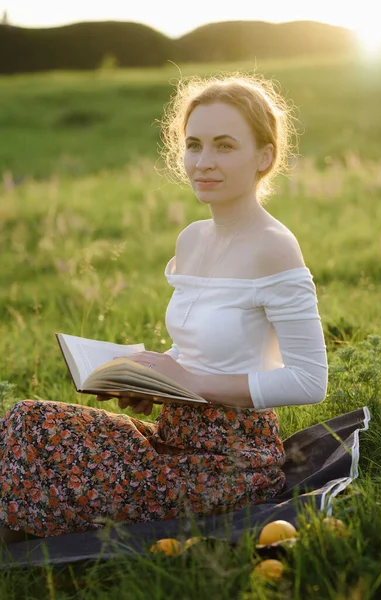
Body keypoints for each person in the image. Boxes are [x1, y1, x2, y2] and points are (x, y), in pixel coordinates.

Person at [0, 73, 328, 544]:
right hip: (169, 434)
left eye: (224, 146)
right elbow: (194, 349)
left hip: (228, 463)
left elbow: (309, 380)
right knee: (26, 420)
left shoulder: (275, 248)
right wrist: (150, 381)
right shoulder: (192, 238)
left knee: (29, 445)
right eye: (193, 145)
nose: (204, 162)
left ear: (265, 155)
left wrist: (193, 383)